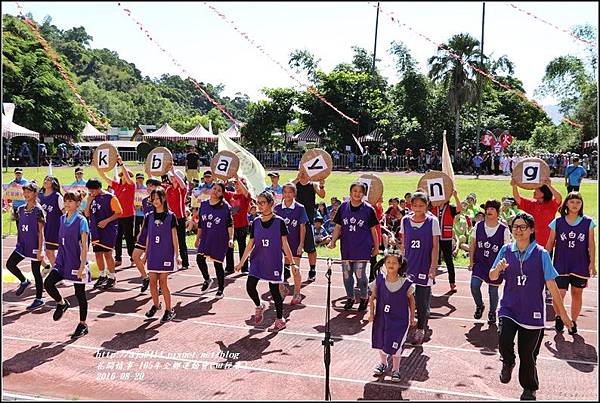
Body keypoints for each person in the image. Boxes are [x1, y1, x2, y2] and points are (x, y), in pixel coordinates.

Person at [490, 212, 572, 401]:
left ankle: (529, 388)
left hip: (532, 312)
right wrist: (498, 269)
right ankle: (508, 362)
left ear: (532, 230)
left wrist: (564, 316)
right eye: (515, 227)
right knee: (503, 340)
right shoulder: (505, 251)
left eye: (522, 227)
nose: (518, 230)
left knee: (527, 355)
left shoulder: (541, 254)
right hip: (508, 308)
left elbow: (552, 286)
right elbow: (492, 276)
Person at [235, 191, 297, 331]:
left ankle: (280, 319)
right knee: (250, 286)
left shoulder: (279, 222)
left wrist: (292, 263)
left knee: (274, 291)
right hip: (257, 260)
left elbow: (285, 244)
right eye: (258, 203)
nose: (260, 205)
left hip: (273, 260)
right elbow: (250, 244)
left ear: (271, 204)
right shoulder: (255, 222)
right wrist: (241, 262)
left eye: (263, 202)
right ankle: (259, 305)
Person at [546, 192, 596, 335]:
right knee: (559, 294)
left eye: (578, 202)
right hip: (561, 264)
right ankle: (559, 316)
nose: (575, 205)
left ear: (581, 205)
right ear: (566, 204)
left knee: (577, 293)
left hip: (580, 264)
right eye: (572, 202)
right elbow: (549, 244)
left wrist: (593, 263)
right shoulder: (557, 222)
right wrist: (545, 261)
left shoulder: (588, 222)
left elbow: (591, 244)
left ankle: (573, 321)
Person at [43, 190, 92, 338]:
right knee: (48, 283)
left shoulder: (81, 221)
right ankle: (62, 303)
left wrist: (82, 267)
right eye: (66, 200)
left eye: (71, 201)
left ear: (78, 204)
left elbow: (84, 246)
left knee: (80, 294)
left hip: (76, 262)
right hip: (62, 261)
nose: (67, 203)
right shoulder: (62, 219)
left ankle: (83, 324)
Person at [328, 182, 379, 312]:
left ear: (364, 194)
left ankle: (364, 297)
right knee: (346, 274)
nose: (357, 193)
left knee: (360, 273)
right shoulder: (343, 207)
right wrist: (333, 241)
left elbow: (374, 230)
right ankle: (350, 297)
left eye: (360, 191)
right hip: (347, 246)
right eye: (354, 191)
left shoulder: (368, 210)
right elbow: (338, 226)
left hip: (362, 246)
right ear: (350, 192)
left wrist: (376, 247)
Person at [399, 192, 440, 344]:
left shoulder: (432, 221)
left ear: (427, 205)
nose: (418, 208)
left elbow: (435, 246)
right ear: (410, 205)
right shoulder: (405, 220)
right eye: (415, 205)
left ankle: (421, 328)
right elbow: (404, 244)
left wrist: (433, 267)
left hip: (424, 265)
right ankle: (406, 323)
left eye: (421, 205)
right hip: (408, 265)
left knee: (422, 300)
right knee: (404, 297)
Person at [368, 253, 416, 382]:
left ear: (399, 265)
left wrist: (412, 317)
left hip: (400, 320)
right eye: (388, 262)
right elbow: (372, 298)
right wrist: (371, 313)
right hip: (382, 318)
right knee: (382, 342)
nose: (391, 265)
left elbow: (411, 301)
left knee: (396, 345)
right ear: (384, 264)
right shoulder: (379, 280)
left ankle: (396, 370)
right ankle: (383, 363)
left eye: (394, 263)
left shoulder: (405, 283)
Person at [468, 199, 511, 324]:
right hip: (480, 263)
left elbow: (507, 250)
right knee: (474, 286)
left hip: (495, 265)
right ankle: (479, 305)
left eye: (492, 209)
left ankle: (492, 312)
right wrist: (471, 261)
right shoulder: (479, 226)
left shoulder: (504, 229)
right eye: (487, 209)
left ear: (498, 212)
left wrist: (503, 266)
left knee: (493, 290)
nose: (489, 211)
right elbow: (473, 244)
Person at [6, 182, 47, 310]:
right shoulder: (21, 209)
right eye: (24, 192)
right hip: (23, 244)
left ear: (35, 193)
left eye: (29, 192)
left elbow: (41, 232)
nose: (26, 194)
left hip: (35, 244)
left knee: (36, 272)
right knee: (10, 264)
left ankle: (39, 299)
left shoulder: (38, 210)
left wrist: (40, 250)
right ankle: (24, 281)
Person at [141, 187, 179, 322]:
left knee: (163, 283)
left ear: (163, 198)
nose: (155, 201)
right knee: (152, 282)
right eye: (153, 199)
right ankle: (156, 305)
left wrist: (177, 255)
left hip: (166, 253)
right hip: (153, 253)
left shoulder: (171, 216)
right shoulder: (149, 216)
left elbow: (175, 237)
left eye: (158, 198)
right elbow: (148, 237)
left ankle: (169, 310)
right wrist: (145, 255)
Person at [195, 182, 234, 298]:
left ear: (222, 194)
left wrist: (231, 238)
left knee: (218, 264)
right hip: (206, 237)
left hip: (220, 238)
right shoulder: (204, 205)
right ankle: (207, 279)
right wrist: (198, 238)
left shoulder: (225, 206)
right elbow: (201, 224)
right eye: (214, 188)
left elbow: (230, 224)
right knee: (199, 259)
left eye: (219, 190)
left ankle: (220, 289)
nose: (215, 191)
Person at [274, 182, 309, 305]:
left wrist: (301, 245)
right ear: (282, 194)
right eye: (285, 192)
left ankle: (297, 293)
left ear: (294, 194)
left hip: (294, 243)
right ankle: (282, 288)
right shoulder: (277, 208)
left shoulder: (300, 208)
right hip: (280, 244)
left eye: (290, 192)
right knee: (277, 269)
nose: (287, 195)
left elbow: (302, 227)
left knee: (295, 269)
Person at [97, 156, 135, 268]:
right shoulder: (117, 186)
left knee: (129, 238)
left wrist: (121, 164)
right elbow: (105, 177)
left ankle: (133, 257)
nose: (125, 176)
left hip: (128, 215)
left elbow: (128, 178)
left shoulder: (131, 186)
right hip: (118, 215)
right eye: (122, 174)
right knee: (117, 238)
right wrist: (98, 167)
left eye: (127, 175)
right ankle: (118, 258)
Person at [85, 178, 122, 290]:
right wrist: (88, 202)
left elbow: (119, 212)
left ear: (99, 188)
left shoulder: (110, 197)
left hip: (108, 229)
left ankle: (112, 276)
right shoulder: (91, 198)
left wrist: (107, 221)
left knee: (107, 253)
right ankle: (102, 275)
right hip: (96, 230)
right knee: (97, 254)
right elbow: (87, 213)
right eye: (90, 190)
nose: (91, 192)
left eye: (93, 190)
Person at [293, 167, 326, 281]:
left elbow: (322, 195)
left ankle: (312, 269)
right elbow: (285, 190)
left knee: (310, 248)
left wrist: (321, 185)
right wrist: (297, 178)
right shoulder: (294, 183)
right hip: (294, 221)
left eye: (305, 171)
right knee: (292, 246)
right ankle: (289, 269)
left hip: (307, 221)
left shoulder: (313, 184)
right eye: (301, 170)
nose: (303, 173)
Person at [511, 177, 562, 248]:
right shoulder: (532, 204)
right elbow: (518, 199)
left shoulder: (551, 204)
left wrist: (549, 186)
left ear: (543, 193)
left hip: (548, 241)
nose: (534, 192)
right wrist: (514, 186)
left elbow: (559, 198)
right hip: (532, 241)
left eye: (537, 190)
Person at [131, 178, 161, 293]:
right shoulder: (144, 201)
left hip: (156, 234)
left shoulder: (161, 202)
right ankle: (145, 277)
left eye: (151, 186)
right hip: (145, 233)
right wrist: (140, 231)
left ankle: (160, 286)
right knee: (135, 256)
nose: (148, 188)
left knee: (155, 260)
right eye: (147, 186)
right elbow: (145, 218)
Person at [430, 190, 462, 292]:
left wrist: (456, 196)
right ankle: (430, 279)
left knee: (449, 261)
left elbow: (459, 209)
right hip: (433, 236)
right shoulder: (432, 207)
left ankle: (452, 283)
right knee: (431, 259)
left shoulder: (451, 208)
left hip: (446, 237)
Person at [161, 166, 189, 270]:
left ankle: (185, 263)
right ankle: (171, 260)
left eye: (175, 177)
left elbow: (182, 184)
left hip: (180, 218)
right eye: (171, 177)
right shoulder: (168, 189)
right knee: (169, 240)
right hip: (171, 217)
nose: (173, 178)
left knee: (181, 240)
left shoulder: (182, 189)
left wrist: (173, 171)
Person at [224, 174, 252, 274]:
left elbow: (246, 193)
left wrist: (238, 179)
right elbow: (221, 191)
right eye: (235, 184)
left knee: (242, 246)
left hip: (243, 225)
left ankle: (244, 268)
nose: (236, 185)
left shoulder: (246, 196)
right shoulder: (231, 195)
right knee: (229, 246)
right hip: (231, 226)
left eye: (239, 184)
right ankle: (229, 267)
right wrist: (224, 180)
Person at [38, 176, 65, 269]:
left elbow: (65, 213)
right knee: (36, 251)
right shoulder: (39, 196)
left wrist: (67, 227)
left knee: (50, 252)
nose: (45, 181)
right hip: (40, 228)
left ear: (54, 183)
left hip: (53, 228)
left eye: (48, 180)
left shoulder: (57, 196)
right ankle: (47, 267)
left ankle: (57, 273)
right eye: (44, 179)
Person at [134, 173, 147, 240]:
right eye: (138, 178)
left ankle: (143, 242)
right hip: (134, 213)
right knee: (135, 229)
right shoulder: (133, 188)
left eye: (141, 178)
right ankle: (135, 242)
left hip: (142, 212)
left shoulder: (146, 188)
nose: (140, 180)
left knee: (143, 228)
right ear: (136, 179)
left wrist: (143, 206)